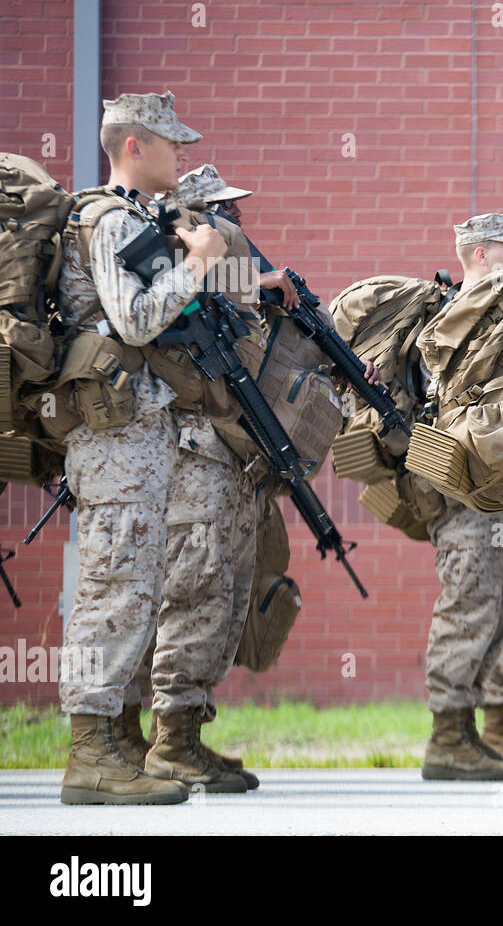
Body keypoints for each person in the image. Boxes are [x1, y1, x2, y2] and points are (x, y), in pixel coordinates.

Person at [56, 91, 237, 804]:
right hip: (112, 442)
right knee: (110, 590)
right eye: (172, 143)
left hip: (140, 435)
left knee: (137, 589)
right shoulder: (105, 221)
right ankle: (91, 752)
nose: (182, 155)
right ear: (134, 146)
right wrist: (198, 263)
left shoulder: (139, 220)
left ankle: (122, 741)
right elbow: (132, 322)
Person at [421, 210, 503, 781]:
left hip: (494, 486)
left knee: (496, 606)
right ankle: (447, 736)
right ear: (478, 254)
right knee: (469, 602)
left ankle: (468, 730)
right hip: (463, 486)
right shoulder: (459, 316)